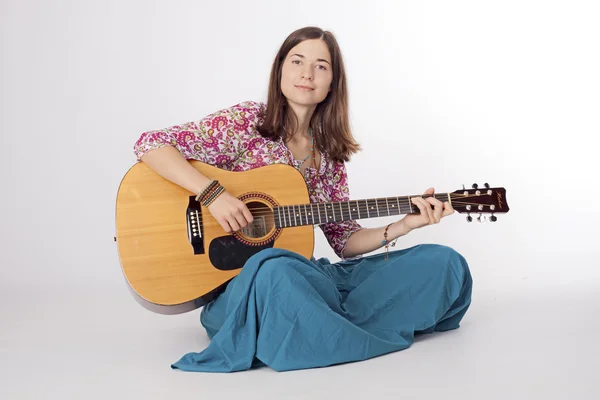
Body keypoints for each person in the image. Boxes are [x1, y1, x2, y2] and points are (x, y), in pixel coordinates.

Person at [133, 26, 473, 373]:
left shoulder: (328, 153)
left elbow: (345, 240)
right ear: (280, 68)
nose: (307, 74)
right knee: (276, 271)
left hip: (305, 278)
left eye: (321, 66)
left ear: (332, 84)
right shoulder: (247, 122)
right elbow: (150, 144)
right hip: (242, 291)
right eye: (297, 61)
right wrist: (212, 194)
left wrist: (403, 225)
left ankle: (316, 324)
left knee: (443, 262)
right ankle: (327, 323)